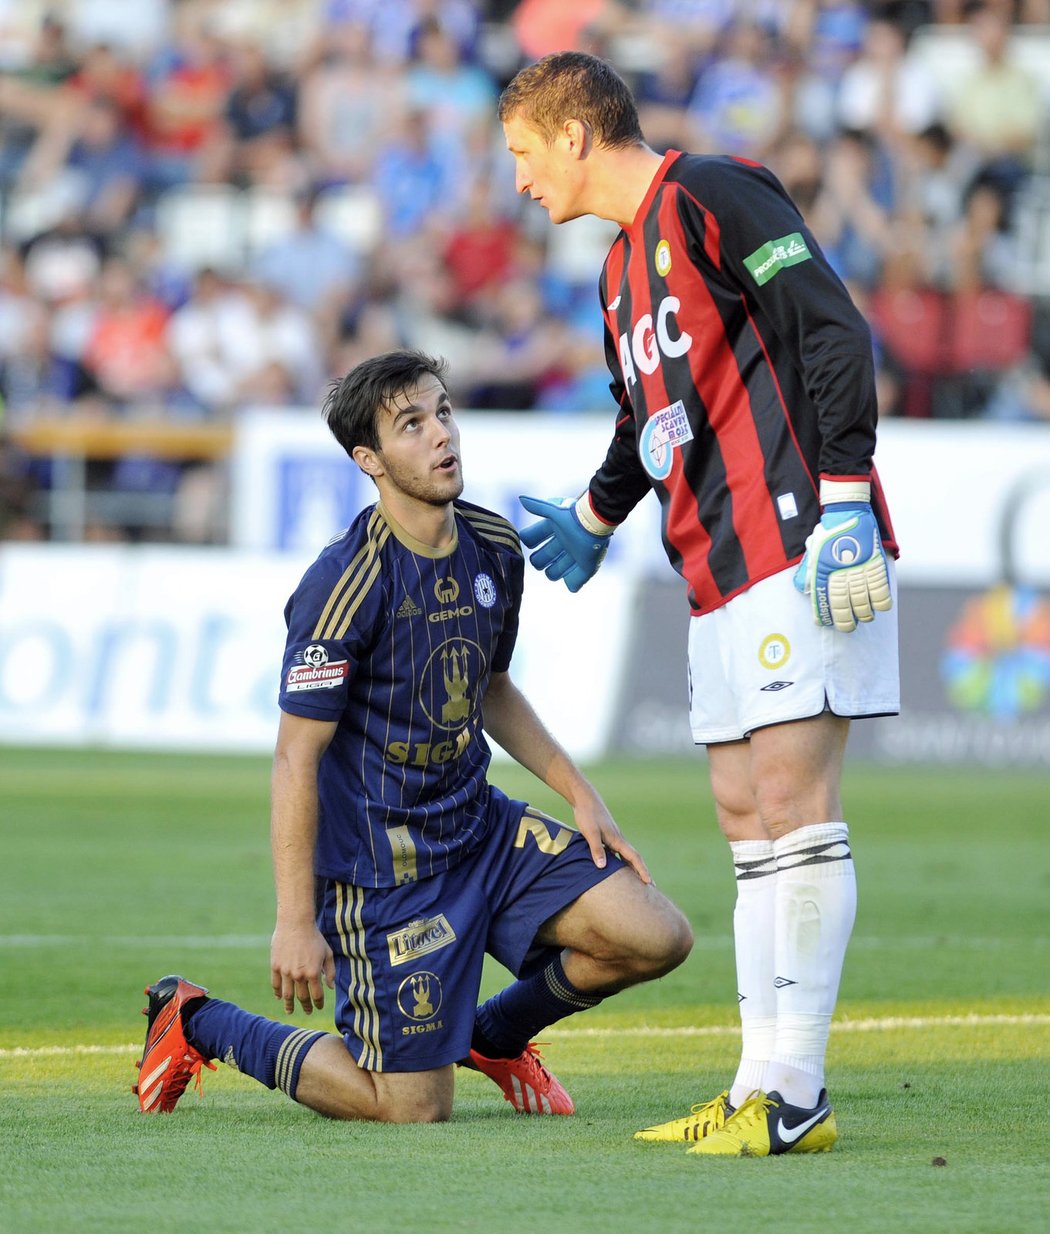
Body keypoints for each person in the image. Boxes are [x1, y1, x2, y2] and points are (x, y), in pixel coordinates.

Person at [499, 51, 899, 1156]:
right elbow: (648, 416)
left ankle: (799, 1092)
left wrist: (849, 497)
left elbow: (830, 328)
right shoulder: (617, 271)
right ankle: (758, 1082)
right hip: (713, 567)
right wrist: (595, 510)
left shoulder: (717, 192)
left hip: (803, 542)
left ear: (574, 135)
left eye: (527, 156)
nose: (522, 183)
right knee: (741, 811)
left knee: (791, 797)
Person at [133, 348, 692, 1123]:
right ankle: (196, 1019)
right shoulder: (344, 585)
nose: (441, 435)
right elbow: (297, 758)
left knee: (655, 935)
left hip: (481, 830)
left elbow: (491, 687)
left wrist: (580, 794)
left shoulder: (494, 545)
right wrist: (295, 920)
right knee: (409, 1110)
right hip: (387, 873)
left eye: (443, 413)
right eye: (411, 424)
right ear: (370, 460)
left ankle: (492, 1036)